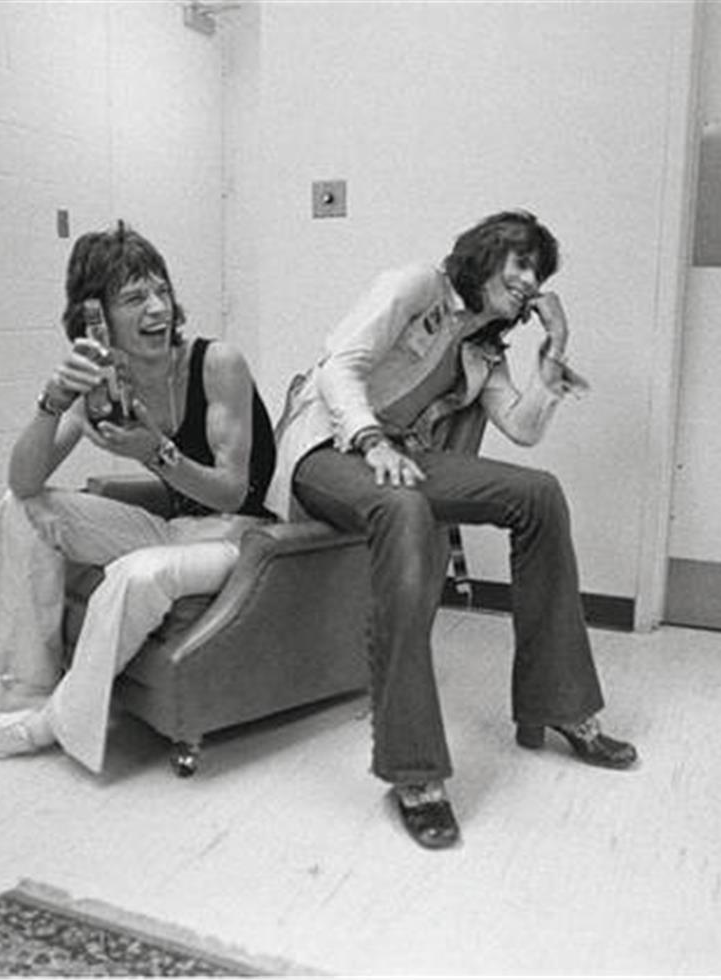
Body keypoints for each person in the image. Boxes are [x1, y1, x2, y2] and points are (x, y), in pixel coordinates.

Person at [268, 209, 638, 849]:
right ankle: (414, 774)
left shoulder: (483, 346)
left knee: (538, 496)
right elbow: (337, 367)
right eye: (520, 263)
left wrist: (552, 356)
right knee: (405, 508)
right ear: (486, 253)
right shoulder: (414, 285)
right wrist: (371, 439)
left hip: (399, 457)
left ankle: (559, 705)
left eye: (538, 273)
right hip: (326, 449)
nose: (529, 280)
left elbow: (521, 428)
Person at [0, 221, 276, 774]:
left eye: (161, 291)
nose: (156, 310)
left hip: (242, 534)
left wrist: (157, 453)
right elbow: (24, 483)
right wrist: (52, 400)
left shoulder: (217, 363)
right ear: (95, 317)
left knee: (138, 573)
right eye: (134, 298)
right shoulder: (103, 377)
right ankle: (27, 685)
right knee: (21, 509)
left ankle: (47, 723)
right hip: (176, 529)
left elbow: (232, 490)